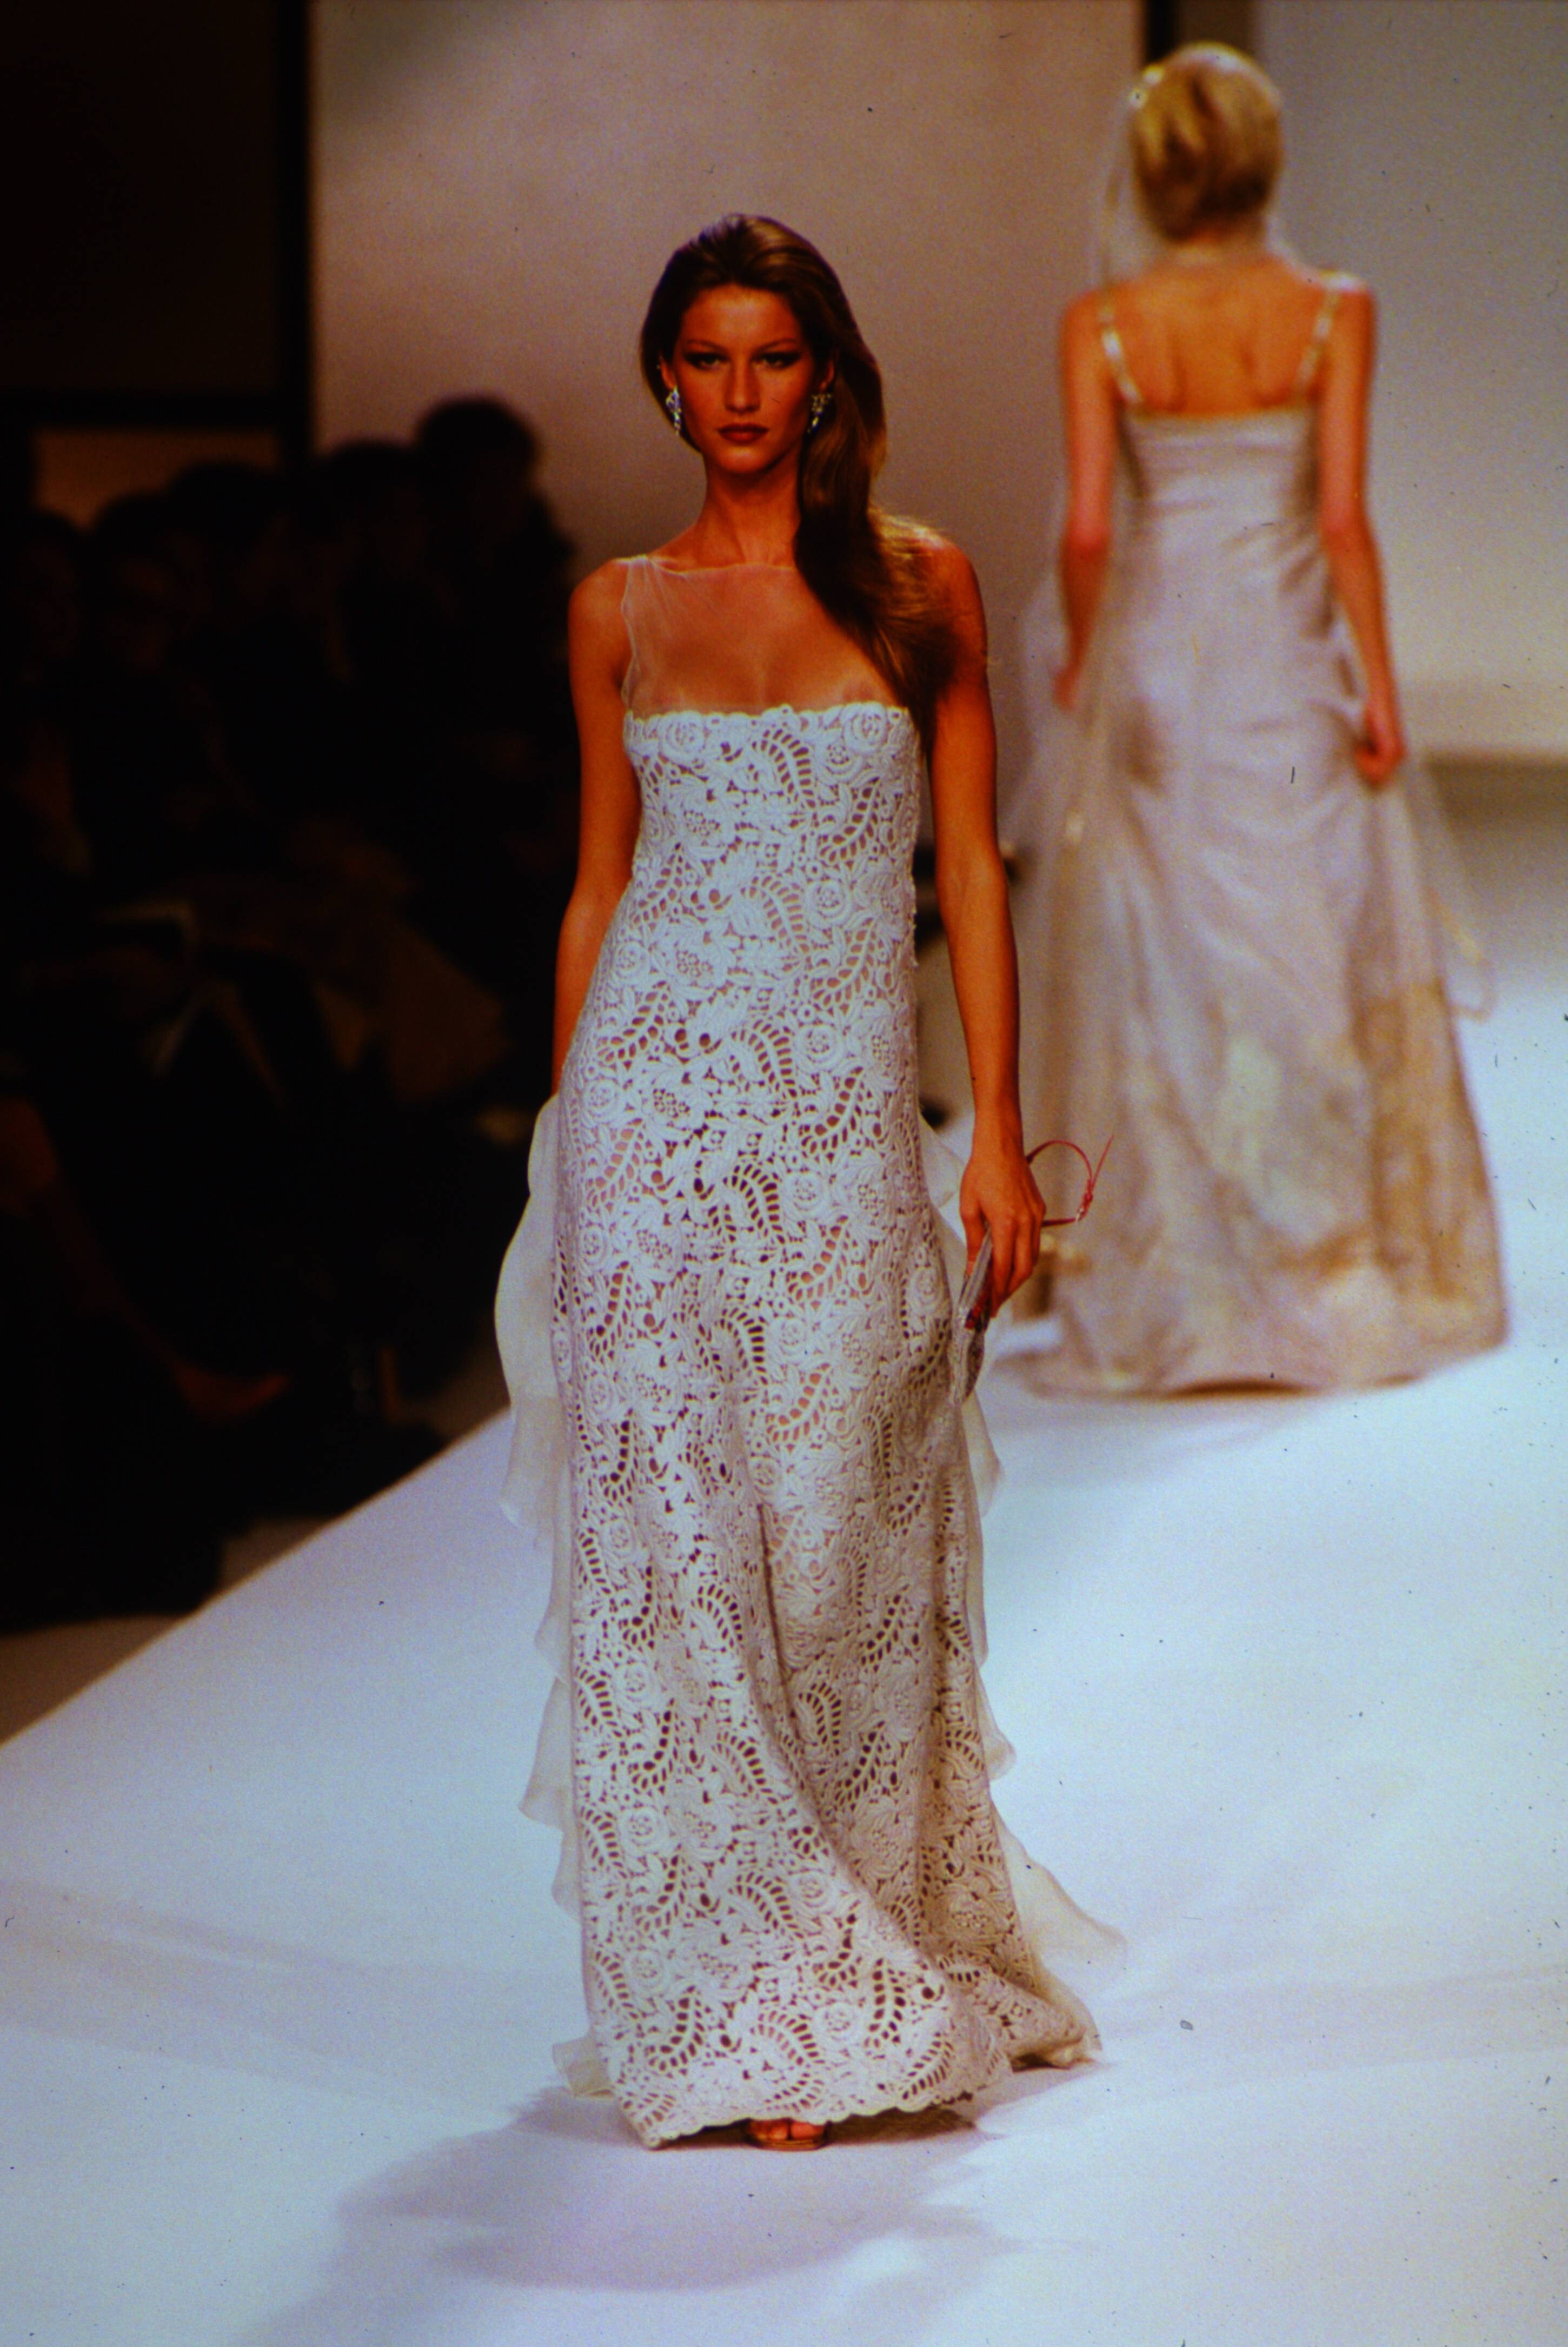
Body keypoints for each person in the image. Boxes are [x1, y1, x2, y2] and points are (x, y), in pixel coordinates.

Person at [497, 216, 1109, 2151]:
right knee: (677, 1549)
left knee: (843, 1528)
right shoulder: (615, 608)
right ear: (666, 379)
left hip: (843, 1126)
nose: (740, 392)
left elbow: (969, 870)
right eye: (707, 357)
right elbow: (600, 886)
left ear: (823, 376)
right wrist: (571, 1145)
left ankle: (860, 1931)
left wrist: (995, 1128)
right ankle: (759, 1991)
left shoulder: (921, 586)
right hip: (650, 1115)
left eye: (773, 356)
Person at [1025, 44, 1504, 1393]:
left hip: (1162, 668)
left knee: (1172, 955)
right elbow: (1341, 519)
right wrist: (1383, 689)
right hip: (1285, 666)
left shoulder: (1101, 322)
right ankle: (1320, 1262)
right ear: (1262, 162)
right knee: (1303, 943)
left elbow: (1085, 532)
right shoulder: (1331, 310)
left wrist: (1084, 661)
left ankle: (1191, 1288)